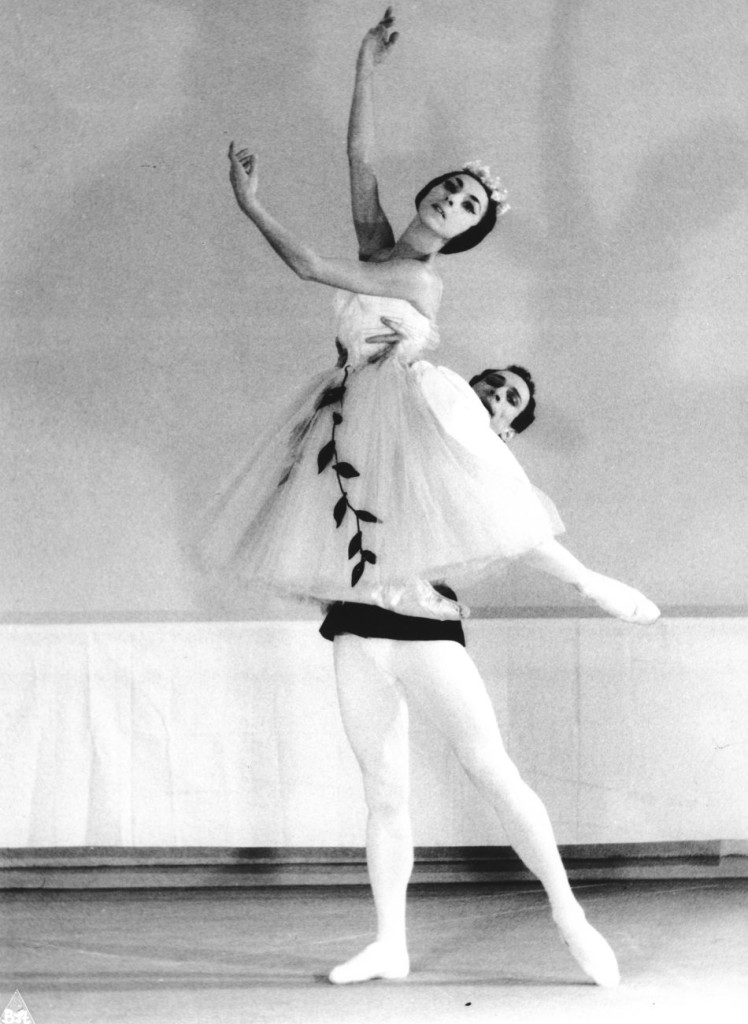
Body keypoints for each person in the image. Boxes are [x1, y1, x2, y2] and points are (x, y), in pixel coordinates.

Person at [204, 8, 564, 619]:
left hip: (390, 400)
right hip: (347, 394)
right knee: (351, 520)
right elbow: (360, 161)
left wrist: (251, 206)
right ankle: (376, 609)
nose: (452, 198)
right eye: (450, 188)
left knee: (386, 514)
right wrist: (364, 67)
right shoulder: (382, 247)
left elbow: (311, 266)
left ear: (467, 233)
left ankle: (408, 598)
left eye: (468, 205)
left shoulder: (415, 277)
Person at [319, 364, 659, 988]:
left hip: (423, 625)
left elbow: (525, 537)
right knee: (383, 792)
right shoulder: (401, 431)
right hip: (355, 624)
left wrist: (592, 583)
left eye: (511, 400)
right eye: (492, 385)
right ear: (464, 390)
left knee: (492, 770)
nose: (497, 397)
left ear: (508, 427)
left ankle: (571, 918)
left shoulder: (484, 467)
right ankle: (389, 944)